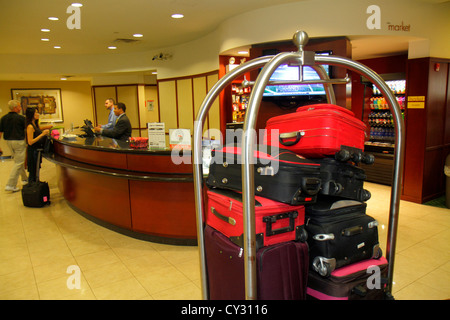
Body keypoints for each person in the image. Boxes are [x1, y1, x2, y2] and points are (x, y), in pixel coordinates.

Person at [0, 100, 28, 192]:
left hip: (8, 142)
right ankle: (10, 185)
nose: (20, 108)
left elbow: (0, 132)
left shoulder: (3, 118)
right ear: (15, 108)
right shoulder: (21, 118)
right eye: (19, 107)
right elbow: (28, 130)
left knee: (17, 161)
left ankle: (24, 179)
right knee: (19, 162)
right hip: (18, 142)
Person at [25, 107, 52, 183]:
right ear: (32, 115)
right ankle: (32, 188)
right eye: (36, 112)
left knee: (36, 170)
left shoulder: (35, 124)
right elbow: (30, 142)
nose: (38, 114)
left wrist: (46, 128)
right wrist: (42, 134)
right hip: (33, 151)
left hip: (37, 150)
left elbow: (38, 130)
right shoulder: (30, 126)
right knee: (33, 172)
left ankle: (36, 184)